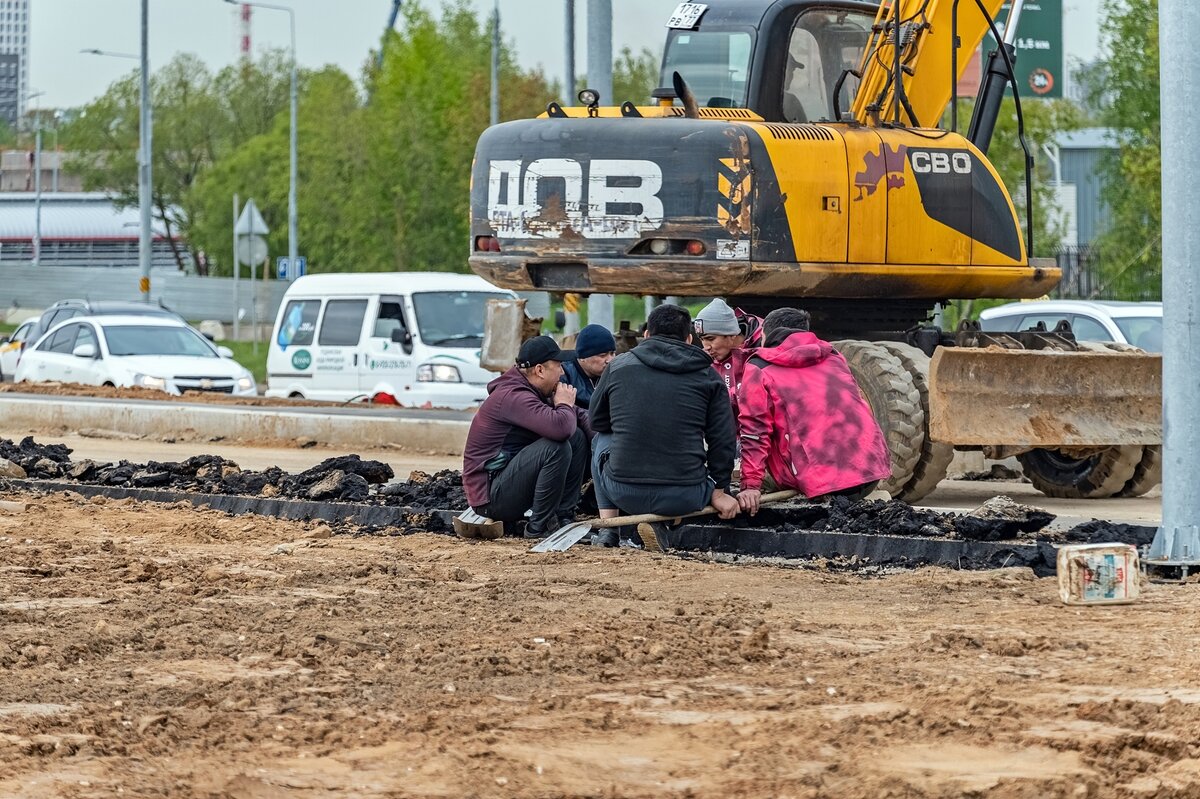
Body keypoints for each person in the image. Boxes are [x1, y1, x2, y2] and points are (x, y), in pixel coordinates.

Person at [588, 304, 740, 545]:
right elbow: (723, 439)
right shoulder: (708, 376)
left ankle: (610, 529)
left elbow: (596, 421)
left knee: (601, 439)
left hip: (623, 492)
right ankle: (666, 524)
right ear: (689, 339)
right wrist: (720, 491)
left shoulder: (618, 367)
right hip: (688, 496)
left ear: (646, 335)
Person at [735, 308, 891, 515]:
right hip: (870, 475)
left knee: (750, 446)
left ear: (766, 335)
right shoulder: (834, 356)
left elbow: (755, 432)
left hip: (820, 484)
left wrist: (750, 486)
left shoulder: (759, 367)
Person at [462, 336, 591, 538]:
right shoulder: (514, 396)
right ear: (540, 370)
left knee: (577, 437)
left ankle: (564, 516)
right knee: (556, 447)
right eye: (558, 366)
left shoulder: (535, 389)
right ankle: (538, 528)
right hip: (491, 499)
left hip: (510, 482)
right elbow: (560, 429)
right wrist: (564, 405)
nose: (563, 372)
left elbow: (577, 418)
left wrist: (612, 439)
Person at [693, 298, 763, 420]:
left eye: (710, 339)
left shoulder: (763, 352)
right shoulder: (705, 363)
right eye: (702, 339)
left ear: (732, 334)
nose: (706, 347)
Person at [560, 324, 616, 409]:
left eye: (612, 353)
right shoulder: (563, 375)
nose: (609, 360)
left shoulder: (615, 373)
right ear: (583, 357)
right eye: (602, 355)